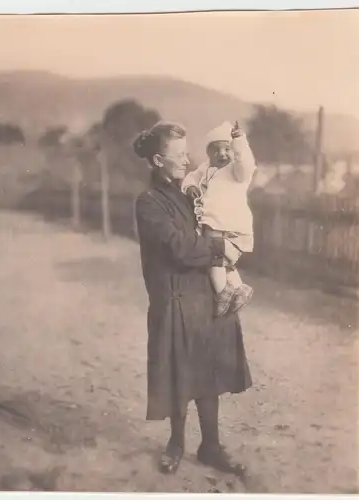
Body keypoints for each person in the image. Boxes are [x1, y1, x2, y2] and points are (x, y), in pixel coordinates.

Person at [133, 121, 252, 476]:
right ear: (157, 160)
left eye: (187, 153)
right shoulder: (149, 202)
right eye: (179, 155)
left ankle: (210, 446)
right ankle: (176, 443)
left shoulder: (189, 193)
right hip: (174, 299)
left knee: (209, 373)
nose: (187, 161)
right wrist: (220, 247)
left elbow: (212, 219)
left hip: (202, 296)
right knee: (179, 374)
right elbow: (180, 248)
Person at [181, 121, 257, 317]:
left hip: (230, 225)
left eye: (227, 149)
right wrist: (189, 186)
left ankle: (223, 292)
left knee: (215, 258)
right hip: (213, 223)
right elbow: (190, 176)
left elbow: (246, 163)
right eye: (216, 150)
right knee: (222, 262)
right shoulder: (205, 168)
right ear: (208, 154)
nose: (222, 154)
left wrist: (239, 141)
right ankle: (239, 288)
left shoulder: (236, 171)